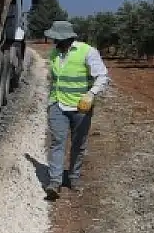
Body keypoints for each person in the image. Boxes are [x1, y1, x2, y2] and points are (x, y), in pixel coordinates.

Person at [43, 20, 109, 199]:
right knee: (57, 141)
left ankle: (74, 177)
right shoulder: (55, 53)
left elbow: (102, 76)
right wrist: (50, 102)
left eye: (57, 38)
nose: (54, 41)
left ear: (67, 38)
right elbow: (54, 80)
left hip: (81, 106)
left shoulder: (87, 52)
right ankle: (55, 182)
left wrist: (91, 94)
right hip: (58, 104)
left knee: (79, 143)